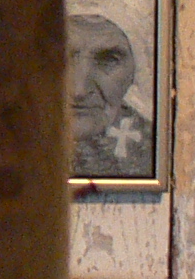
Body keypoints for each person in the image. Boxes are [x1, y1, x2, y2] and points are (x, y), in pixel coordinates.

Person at [64, 10, 156, 180]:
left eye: (109, 60)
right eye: (61, 57)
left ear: (135, 72)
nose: (79, 90)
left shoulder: (152, 150)